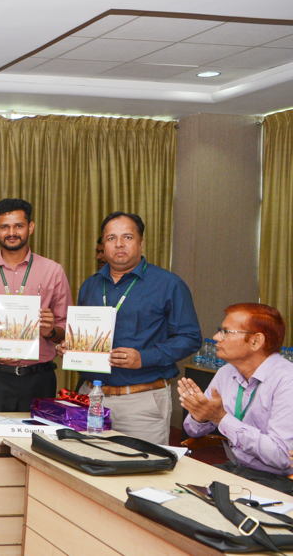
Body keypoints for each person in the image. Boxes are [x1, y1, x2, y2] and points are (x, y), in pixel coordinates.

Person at [69, 211, 199, 445]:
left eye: (127, 237)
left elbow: (190, 337)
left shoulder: (169, 284)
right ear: (103, 243)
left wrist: (144, 357)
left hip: (141, 401)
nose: (119, 244)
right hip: (92, 398)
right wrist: (71, 347)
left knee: (140, 471)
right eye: (111, 238)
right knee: (87, 466)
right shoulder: (90, 285)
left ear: (141, 242)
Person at [0, 198, 71, 411]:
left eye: (18, 226)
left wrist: (50, 332)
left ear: (30, 227)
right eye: (4, 226)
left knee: (37, 442)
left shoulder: (53, 271)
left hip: (40, 378)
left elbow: (67, 331)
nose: (11, 232)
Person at [179, 303, 292, 494]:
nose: (216, 338)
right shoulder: (226, 373)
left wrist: (221, 418)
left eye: (225, 332)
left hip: (280, 482)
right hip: (238, 470)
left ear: (255, 341)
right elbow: (192, 430)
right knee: (175, 494)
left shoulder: (286, 380)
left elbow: (280, 456)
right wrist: (201, 414)